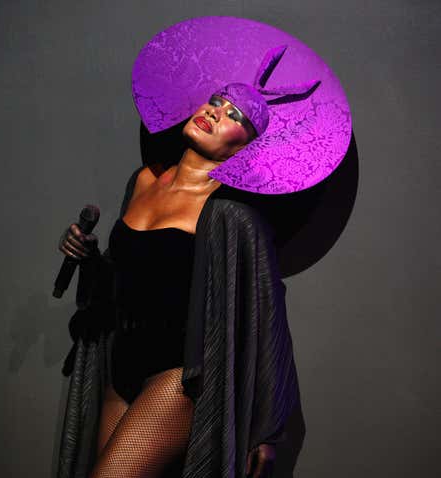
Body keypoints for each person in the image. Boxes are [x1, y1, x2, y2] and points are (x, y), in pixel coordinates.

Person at [55, 17, 351, 478]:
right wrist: (88, 257)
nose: (215, 112)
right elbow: (125, 277)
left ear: (245, 148)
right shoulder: (143, 181)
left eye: (235, 115)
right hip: (122, 366)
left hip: (178, 378)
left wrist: (268, 431)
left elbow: (266, 316)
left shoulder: (232, 217)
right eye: (216, 101)